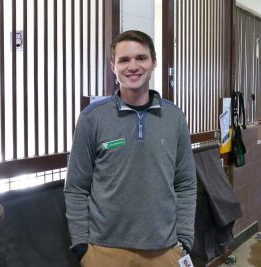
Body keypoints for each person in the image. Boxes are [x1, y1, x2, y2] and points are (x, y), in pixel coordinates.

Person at [64, 30, 197, 267]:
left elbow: (186, 183)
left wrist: (184, 239)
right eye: (124, 60)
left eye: (141, 58)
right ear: (113, 66)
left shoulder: (175, 118)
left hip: (165, 250)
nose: (133, 66)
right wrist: (81, 245)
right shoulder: (92, 118)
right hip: (103, 250)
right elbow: (76, 187)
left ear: (153, 62)